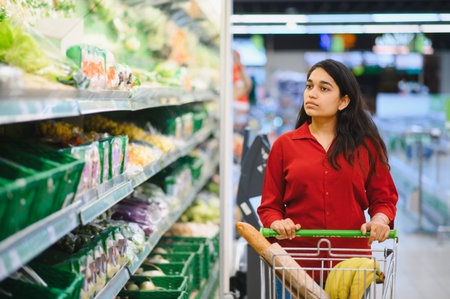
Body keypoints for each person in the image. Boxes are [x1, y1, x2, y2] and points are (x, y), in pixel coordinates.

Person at [257, 59, 398, 291]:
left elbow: (384, 199)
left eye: (324, 89)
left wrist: (380, 220)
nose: (312, 94)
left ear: (344, 101)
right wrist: (277, 222)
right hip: (294, 267)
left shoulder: (366, 147)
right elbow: (269, 206)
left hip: (351, 268)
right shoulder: (284, 145)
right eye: (309, 86)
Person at [232, 49, 253, 132]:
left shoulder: (238, 71)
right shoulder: (233, 72)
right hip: (237, 110)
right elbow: (248, 85)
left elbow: (248, 84)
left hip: (238, 109)